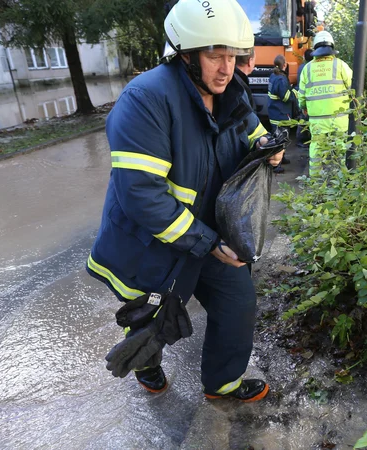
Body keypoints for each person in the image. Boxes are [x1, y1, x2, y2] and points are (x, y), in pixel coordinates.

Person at [86, 0, 279, 402]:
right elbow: (142, 195)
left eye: (233, 56)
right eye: (215, 55)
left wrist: (265, 145)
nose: (227, 68)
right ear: (185, 54)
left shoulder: (230, 91)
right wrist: (207, 242)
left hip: (210, 234)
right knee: (153, 319)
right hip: (156, 243)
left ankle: (222, 383)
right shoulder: (146, 100)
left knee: (237, 304)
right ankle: (147, 363)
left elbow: (250, 129)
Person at [297, 30, 352, 173]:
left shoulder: (307, 69)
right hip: (339, 119)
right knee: (341, 151)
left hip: (317, 121)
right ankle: (343, 179)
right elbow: (354, 89)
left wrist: (303, 107)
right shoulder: (340, 65)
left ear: (315, 48)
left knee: (316, 150)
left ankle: (315, 182)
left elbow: (301, 96)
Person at [295, 49, 314, 148]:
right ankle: (301, 140)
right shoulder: (308, 68)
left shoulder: (302, 67)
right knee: (303, 119)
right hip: (306, 97)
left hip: (302, 95)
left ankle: (302, 139)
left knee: (303, 119)